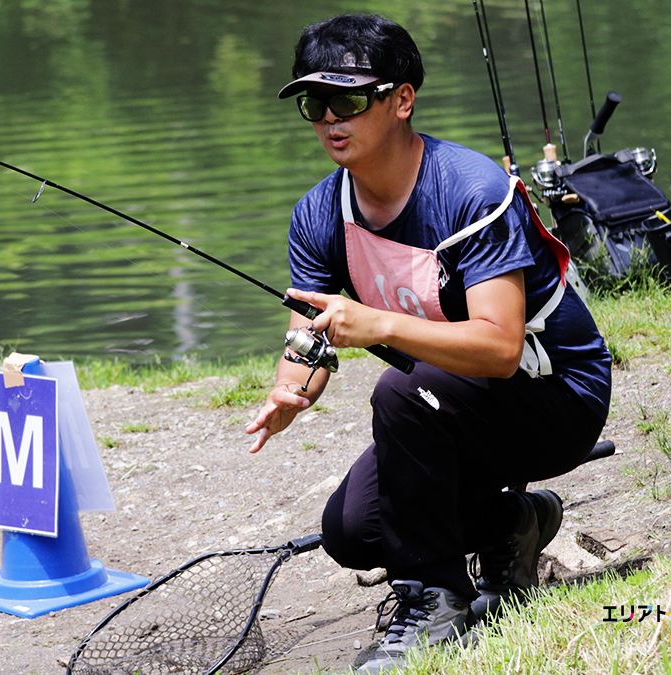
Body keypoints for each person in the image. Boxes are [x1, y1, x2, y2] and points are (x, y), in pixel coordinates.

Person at [245, 14, 612, 674]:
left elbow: (499, 347)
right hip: (449, 402)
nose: (331, 118)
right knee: (352, 531)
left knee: (403, 390)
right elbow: (310, 336)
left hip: (557, 396)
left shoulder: (469, 189)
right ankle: (513, 524)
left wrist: (379, 324)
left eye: (349, 99)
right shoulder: (317, 215)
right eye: (314, 103)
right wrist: (290, 388)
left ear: (401, 99)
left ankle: (435, 602)